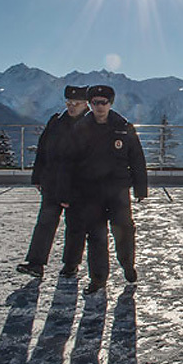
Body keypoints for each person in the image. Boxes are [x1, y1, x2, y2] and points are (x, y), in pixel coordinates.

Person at [60, 85, 148, 296]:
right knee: (96, 236)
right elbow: (68, 163)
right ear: (89, 104)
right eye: (95, 102)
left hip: (118, 192)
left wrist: (140, 188)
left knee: (124, 231)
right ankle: (98, 278)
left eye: (103, 102)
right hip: (90, 192)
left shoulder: (123, 127)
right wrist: (65, 192)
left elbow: (137, 158)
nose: (99, 106)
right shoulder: (80, 128)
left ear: (110, 104)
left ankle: (127, 264)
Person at [17, 85, 89, 279]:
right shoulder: (56, 121)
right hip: (53, 182)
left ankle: (71, 264)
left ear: (85, 104)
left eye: (76, 103)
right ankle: (36, 263)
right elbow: (43, 149)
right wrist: (37, 176)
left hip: (77, 186)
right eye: (69, 103)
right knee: (45, 222)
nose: (71, 107)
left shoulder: (91, 125)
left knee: (75, 226)